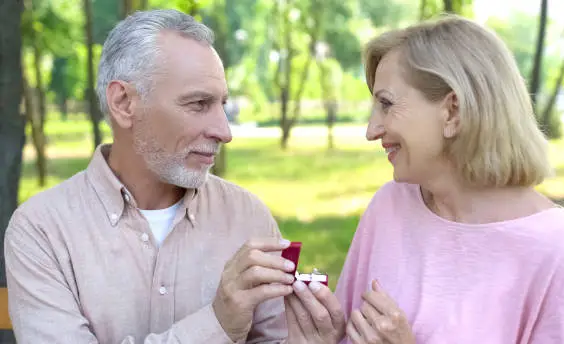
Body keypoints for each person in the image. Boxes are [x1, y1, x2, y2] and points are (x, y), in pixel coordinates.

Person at [3, 9, 344, 343]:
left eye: (222, 104)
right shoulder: (41, 231)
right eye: (198, 104)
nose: (224, 131)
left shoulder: (248, 217)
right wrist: (218, 324)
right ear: (123, 103)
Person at [327, 15, 564, 343]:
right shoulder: (389, 207)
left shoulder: (560, 249)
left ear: (453, 112)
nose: (372, 131)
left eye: (386, 104)